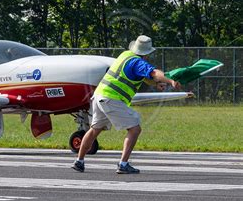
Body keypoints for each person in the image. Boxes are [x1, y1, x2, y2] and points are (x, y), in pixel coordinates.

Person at [71, 35, 181, 174]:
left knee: (94, 129)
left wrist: (157, 83)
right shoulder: (139, 63)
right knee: (135, 129)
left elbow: (146, 78)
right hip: (112, 99)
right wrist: (170, 81)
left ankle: (79, 161)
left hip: (99, 96)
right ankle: (123, 164)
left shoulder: (125, 56)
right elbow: (154, 73)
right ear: (147, 53)